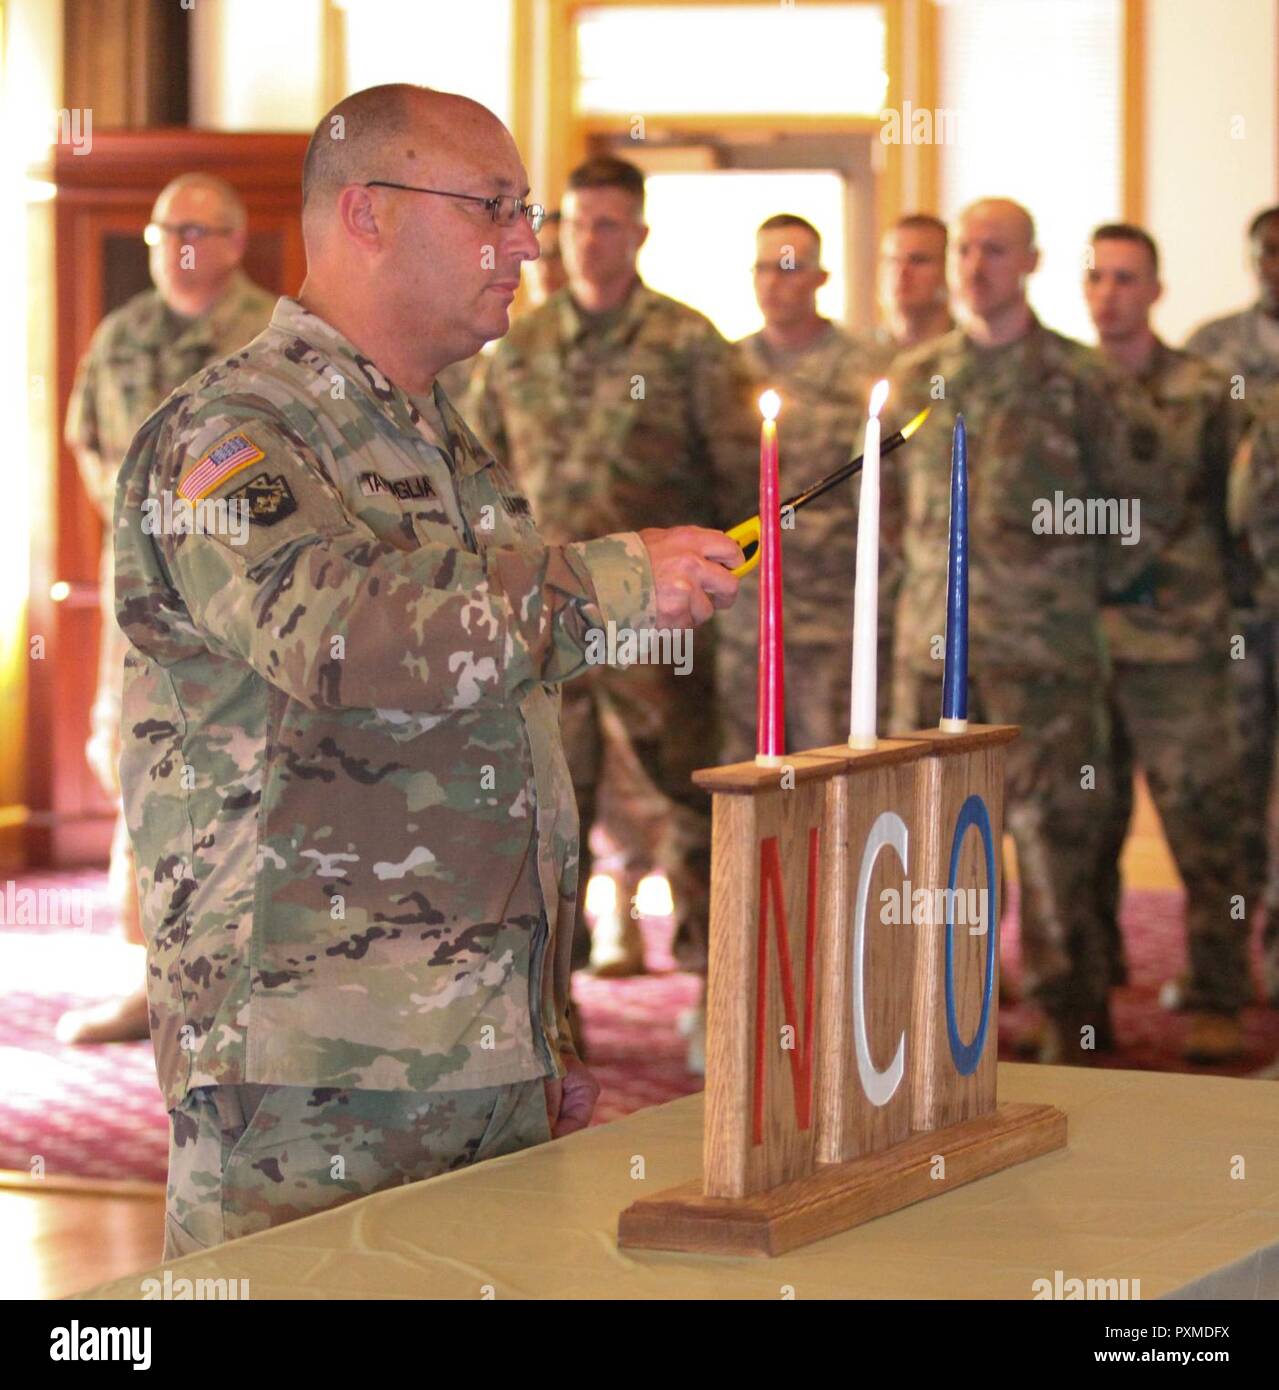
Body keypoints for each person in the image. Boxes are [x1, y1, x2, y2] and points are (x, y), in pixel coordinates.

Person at [113, 84, 742, 1257]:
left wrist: (539, 1028)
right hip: (313, 1068)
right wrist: (609, 581)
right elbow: (340, 635)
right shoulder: (235, 433)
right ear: (368, 213)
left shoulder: (441, 441)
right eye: (493, 208)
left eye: (528, 210)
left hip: (476, 1052)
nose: (528, 244)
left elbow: (493, 730)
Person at [467, 155, 757, 1069]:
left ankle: (719, 995)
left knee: (693, 807)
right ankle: (550, 1013)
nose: (591, 241)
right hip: (546, 617)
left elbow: (739, 476)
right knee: (553, 810)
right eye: (577, 224)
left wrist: (714, 584)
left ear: (637, 234)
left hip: (660, 620)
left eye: (610, 225)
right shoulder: (516, 343)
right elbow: (481, 474)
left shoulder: (688, 343)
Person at [887, 198, 1170, 1064]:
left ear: (1032, 262)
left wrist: (1076, 591)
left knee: (1059, 854)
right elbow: (895, 509)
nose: (977, 267)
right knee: (935, 851)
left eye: (996, 251)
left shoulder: (1084, 381)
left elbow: (1141, 510)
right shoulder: (918, 377)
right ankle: (937, 1025)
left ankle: (1070, 1029)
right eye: (967, 250)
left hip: (1045, 658)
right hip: (935, 655)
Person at [59, 173, 274, 1045]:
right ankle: (151, 983)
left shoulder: (274, 336)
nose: (181, 244)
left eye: (200, 228)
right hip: (147, 609)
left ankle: (258, 993)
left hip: (253, 606)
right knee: (139, 777)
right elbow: (89, 446)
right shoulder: (119, 341)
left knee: (257, 780)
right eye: (165, 229)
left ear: (234, 241)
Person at [1084, 223, 1251, 1062]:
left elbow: (1235, 511)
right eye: (1097, 278)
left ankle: (1219, 994)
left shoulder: (1203, 388)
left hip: (1179, 648)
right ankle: (1086, 996)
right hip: (1078, 644)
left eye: (1126, 278)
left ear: (1154, 289)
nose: (1109, 293)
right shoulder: (1061, 384)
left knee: (1201, 825)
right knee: (1080, 824)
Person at [719, 212, 890, 764]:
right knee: (749, 778)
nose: (774, 282)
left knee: (832, 773)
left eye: (789, 268)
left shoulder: (866, 369)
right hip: (746, 618)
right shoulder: (725, 369)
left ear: (820, 278)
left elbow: (899, 496)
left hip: (833, 619)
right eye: (763, 268)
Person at [1185, 206, 1279, 939]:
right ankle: (1234, 948)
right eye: (1267, 252)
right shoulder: (1211, 353)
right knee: (1234, 780)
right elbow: (1185, 482)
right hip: (1242, 606)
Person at [864, 213, 955, 371]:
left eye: (918, 261)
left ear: (949, 269)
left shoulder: (970, 354)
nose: (902, 272)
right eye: (892, 260)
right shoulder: (856, 355)